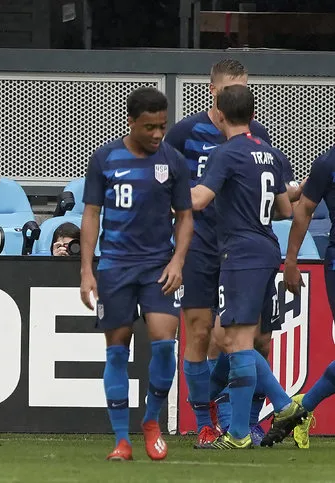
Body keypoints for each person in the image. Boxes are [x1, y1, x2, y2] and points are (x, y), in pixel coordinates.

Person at [165, 58, 303, 446]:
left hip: (238, 250)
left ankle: (247, 421)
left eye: (244, 87)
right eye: (232, 88)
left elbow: (274, 190)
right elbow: (166, 172)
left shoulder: (253, 139)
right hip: (202, 247)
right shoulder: (186, 132)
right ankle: (211, 423)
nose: (238, 93)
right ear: (214, 91)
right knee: (202, 333)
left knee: (249, 339)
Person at [80, 86, 193, 461]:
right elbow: (92, 214)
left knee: (164, 344)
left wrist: (177, 261)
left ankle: (150, 420)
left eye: (162, 126)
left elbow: (186, 216)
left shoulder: (174, 161)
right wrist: (86, 270)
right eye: (150, 128)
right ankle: (120, 440)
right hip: (114, 268)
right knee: (116, 353)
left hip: (158, 267)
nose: (158, 134)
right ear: (131, 122)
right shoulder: (104, 158)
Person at [271, 144, 335, 449]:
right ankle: (302, 406)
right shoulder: (327, 163)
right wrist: (292, 261)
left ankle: (302, 406)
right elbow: (305, 210)